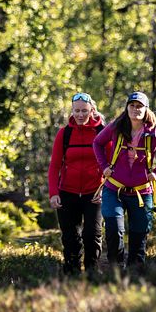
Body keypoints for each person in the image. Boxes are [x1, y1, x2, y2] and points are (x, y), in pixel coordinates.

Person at [92, 90, 156, 272]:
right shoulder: (116, 126)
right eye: (132, 105)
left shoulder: (154, 132)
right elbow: (97, 143)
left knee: (140, 234)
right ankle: (116, 269)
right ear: (127, 107)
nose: (135, 109)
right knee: (114, 230)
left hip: (142, 192)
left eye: (140, 106)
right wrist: (104, 166)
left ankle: (135, 274)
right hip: (114, 190)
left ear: (146, 109)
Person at [48, 91, 105, 275]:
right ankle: (71, 273)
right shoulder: (64, 134)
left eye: (84, 111)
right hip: (67, 193)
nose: (80, 115)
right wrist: (53, 193)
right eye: (77, 111)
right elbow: (54, 166)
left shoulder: (101, 133)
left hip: (94, 194)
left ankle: (92, 272)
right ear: (72, 111)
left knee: (92, 235)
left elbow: (112, 165)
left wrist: (106, 189)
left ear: (92, 110)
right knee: (70, 238)